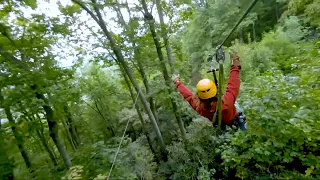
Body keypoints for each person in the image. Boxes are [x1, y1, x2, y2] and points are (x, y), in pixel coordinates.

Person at [172, 52, 247, 130]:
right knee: (236, 104)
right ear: (214, 91)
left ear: (200, 96)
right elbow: (233, 83)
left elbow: (189, 96)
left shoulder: (199, 107)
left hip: (223, 125)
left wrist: (177, 82)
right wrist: (235, 63)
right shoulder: (227, 103)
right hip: (234, 119)